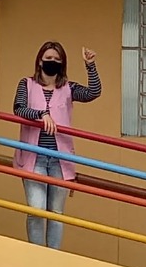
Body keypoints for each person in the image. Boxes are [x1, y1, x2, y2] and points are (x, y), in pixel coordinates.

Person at [12, 42, 101, 249]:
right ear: (40, 61)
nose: (52, 62)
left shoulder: (69, 88)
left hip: (60, 160)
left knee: (56, 213)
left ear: (62, 63)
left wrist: (90, 65)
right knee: (36, 210)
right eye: (48, 58)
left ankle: (53, 256)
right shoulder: (26, 84)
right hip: (34, 157)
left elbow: (93, 92)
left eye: (56, 59)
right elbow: (19, 108)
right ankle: (36, 256)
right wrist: (41, 114)